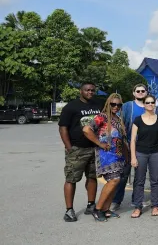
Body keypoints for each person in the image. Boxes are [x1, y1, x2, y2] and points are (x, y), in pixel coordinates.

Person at [58, 82, 103, 222]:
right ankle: (69, 210)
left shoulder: (98, 105)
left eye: (92, 90)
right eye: (87, 90)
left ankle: (91, 204)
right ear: (81, 91)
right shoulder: (71, 107)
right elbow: (63, 128)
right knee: (71, 178)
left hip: (94, 148)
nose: (90, 92)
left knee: (92, 177)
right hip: (77, 149)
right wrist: (69, 147)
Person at [83, 93, 128, 222]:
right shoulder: (102, 117)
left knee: (115, 182)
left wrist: (127, 155)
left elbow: (122, 139)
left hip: (118, 155)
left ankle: (106, 209)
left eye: (119, 105)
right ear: (108, 104)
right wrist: (99, 143)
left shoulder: (118, 119)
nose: (116, 107)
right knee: (113, 180)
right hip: (106, 156)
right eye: (113, 104)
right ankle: (97, 209)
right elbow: (87, 129)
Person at [111, 84, 147, 211]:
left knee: (140, 176)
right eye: (138, 91)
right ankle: (116, 200)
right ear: (134, 93)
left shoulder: (150, 106)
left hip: (143, 147)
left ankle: (137, 200)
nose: (141, 93)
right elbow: (120, 123)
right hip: (127, 145)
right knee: (123, 175)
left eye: (143, 91)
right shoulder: (128, 106)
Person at [129, 94, 158, 218]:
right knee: (139, 180)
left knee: (155, 180)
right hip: (140, 153)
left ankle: (155, 205)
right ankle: (138, 206)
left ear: (155, 104)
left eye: (152, 102)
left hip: (155, 153)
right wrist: (133, 157)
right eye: (147, 102)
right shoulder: (138, 119)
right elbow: (132, 140)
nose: (150, 104)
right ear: (144, 104)